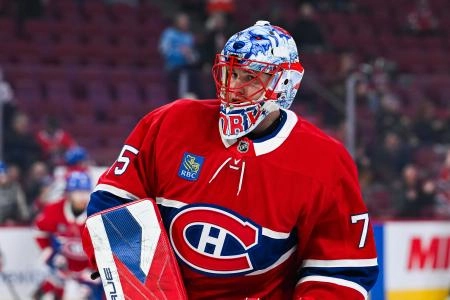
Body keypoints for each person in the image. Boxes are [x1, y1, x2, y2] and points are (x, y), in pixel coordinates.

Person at [83, 20, 378, 299]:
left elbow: (341, 269)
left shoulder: (324, 161)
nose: (233, 88)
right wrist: (144, 291)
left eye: (250, 77)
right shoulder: (169, 124)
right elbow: (113, 204)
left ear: (285, 82)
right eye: (231, 73)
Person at [33, 171, 102, 300]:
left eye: (85, 192)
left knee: (83, 293)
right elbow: (39, 230)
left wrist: (95, 270)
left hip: (89, 272)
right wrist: (48, 251)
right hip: (62, 268)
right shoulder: (54, 209)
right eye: (78, 192)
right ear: (69, 194)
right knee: (46, 294)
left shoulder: (98, 211)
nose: (82, 197)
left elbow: (107, 246)